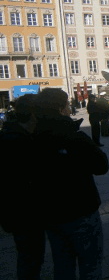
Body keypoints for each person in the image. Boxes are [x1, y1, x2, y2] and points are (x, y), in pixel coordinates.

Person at [33, 88, 109, 279]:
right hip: (80, 209)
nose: (69, 109)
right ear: (61, 109)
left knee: (62, 264)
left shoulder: (32, 138)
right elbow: (101, 166)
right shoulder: (73, 136)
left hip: (50, 213)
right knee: (90, 264)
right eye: (67, 105)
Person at [0, 94, 46, 280]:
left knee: (29, 257)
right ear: (34, 116)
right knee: (31, 258)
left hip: (17, 213)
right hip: (25, 213)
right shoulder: (19, 142)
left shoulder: (10, 135)